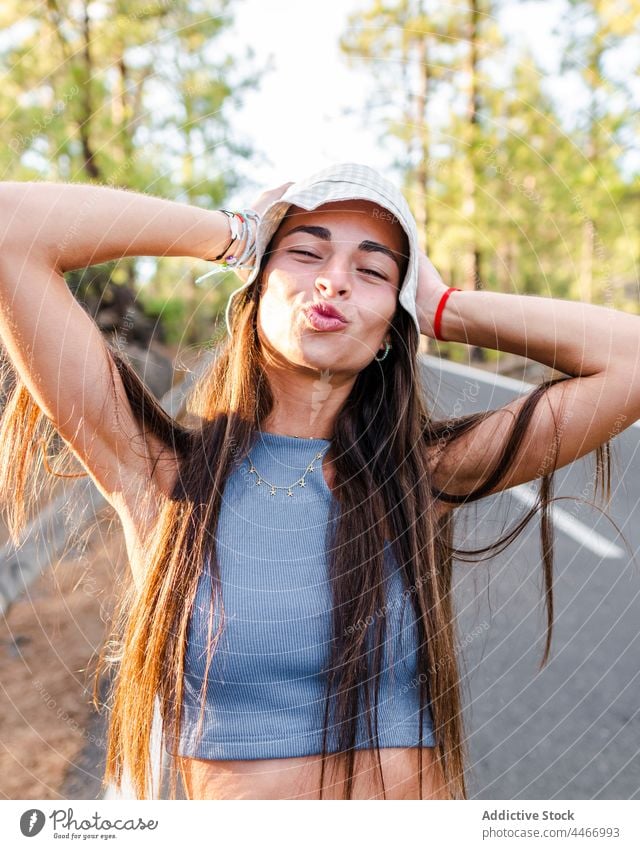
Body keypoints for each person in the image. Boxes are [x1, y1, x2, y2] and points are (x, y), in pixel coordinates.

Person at [0, 162, 637, 801]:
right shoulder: (163, 475)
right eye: (304, 253)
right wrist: (235, 234)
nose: (333, 281)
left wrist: (444, 308)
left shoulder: (419, 476)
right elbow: (11, 228)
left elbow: (629, 362)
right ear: (253, 290)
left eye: (373, 271)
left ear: (393, 324)